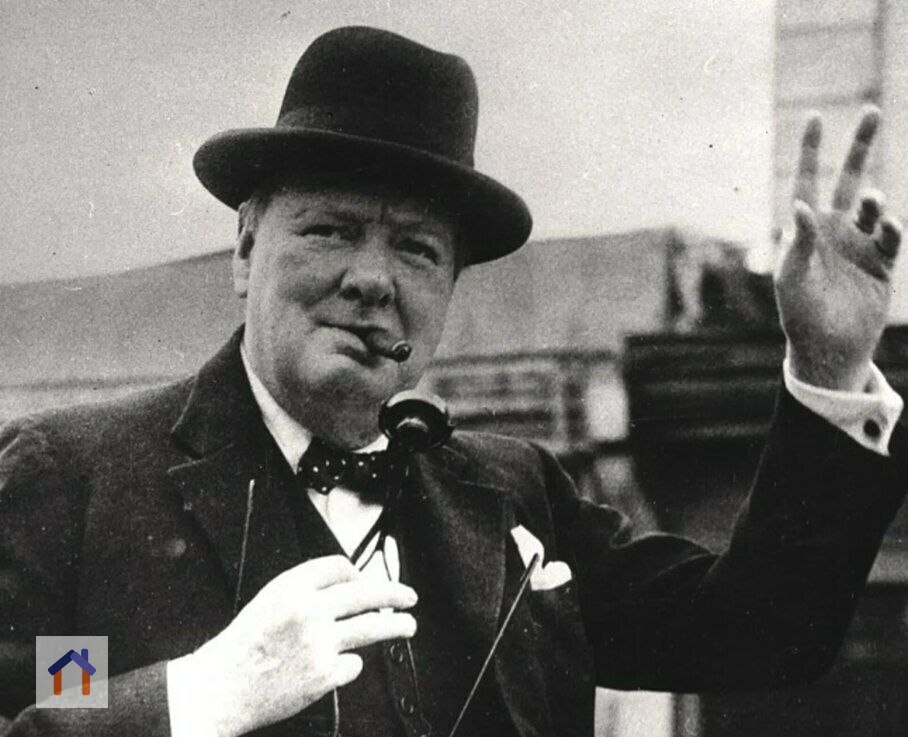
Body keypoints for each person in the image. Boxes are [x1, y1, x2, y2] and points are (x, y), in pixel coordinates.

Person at [1, 25, 905, 737]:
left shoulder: (514, 494)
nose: (372, 278)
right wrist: (194, 695)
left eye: (417, 249)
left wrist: (828, 367)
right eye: (330, 229)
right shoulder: (76, 485)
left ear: (449, 292)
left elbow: (761, 633)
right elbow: (36, 702)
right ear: (245, 248)